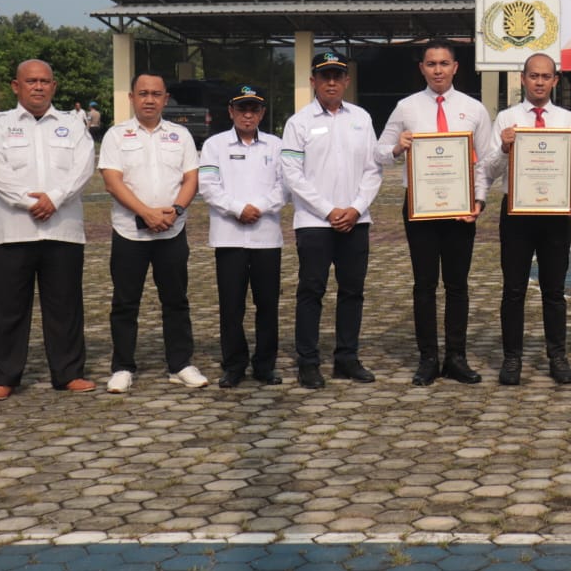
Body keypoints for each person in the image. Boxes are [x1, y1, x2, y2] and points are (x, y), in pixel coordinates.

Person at [0, 59, 97, 401]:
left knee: (65, 306)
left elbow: (83, 166)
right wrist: (30, 203)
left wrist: (55, 198)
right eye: (31, 81)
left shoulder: (73, 125)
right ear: (17, 86)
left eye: (45, 81)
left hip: (63, 230)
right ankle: (4, 377)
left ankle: (69, 373)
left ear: (54, 87)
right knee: (7, 308)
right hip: (11, 231)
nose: (39, 87)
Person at [378, 41, 494, 386]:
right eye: (431, 64)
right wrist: (398, 147)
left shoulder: (474, 109)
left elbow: (486, 161)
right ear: (422, 69)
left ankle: (456, 357)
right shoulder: (406, 108)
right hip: (420, 207)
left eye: (444, 63)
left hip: (461, 210)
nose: (438, 70)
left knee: (457, 285)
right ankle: (428, 357)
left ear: (456, 67)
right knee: (424, 285)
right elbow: (379, 150)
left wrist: (480, 201)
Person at [98, 72, 206, 393]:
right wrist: (145, 212)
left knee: (175, 301)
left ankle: (180, 364)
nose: (149, 99)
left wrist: (176, 210)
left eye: (156, 94)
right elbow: (112, 180)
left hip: (172, 231)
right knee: (125, 303)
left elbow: (191, 178)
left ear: (165, 98)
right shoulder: (117, 135)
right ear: (131, 97)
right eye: (142, 93)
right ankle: (122, 367)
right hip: (130, 232)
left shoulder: (181, 135)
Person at [486, 53, 571, 385]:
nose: (540, 82)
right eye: (534, 76)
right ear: (523, 78)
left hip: (555, 214)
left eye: (546, 76)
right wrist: (503, 148)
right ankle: (512, 358)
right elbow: (487, 170)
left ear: (555, 80)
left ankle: (557, 356)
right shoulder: (505, 118)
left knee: (554, 290)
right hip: (516, 214)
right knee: (514, 289)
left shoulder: (569, 119)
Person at [282, 51, 383, 390]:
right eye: (324, 76)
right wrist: (328, 210)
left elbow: (373, 169)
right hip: (314, 222)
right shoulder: (299, 123)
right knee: (311, 291)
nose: (331, 82)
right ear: (313, 80)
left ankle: (346, 358)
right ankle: (308, 362)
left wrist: (355, 208)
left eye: (337, 75)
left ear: (346, 81)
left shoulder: (362, 118)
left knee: (352, 292)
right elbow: (292, 175)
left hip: (356, 221)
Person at [199, 85, 287, 388]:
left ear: (262, 113)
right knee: (231, 305)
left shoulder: (276, 145)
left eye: (254, 109)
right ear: (231, 112)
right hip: (229, 236)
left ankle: (265, 365)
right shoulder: (214, 145)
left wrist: (259, 208)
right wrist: (238, 209)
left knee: (267, 305)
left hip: (266, 236)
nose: (248, 115)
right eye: (242, 109)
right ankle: (234, 364)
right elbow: (208, 186)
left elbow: (284, 186)